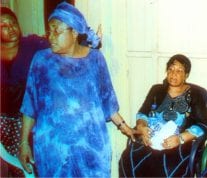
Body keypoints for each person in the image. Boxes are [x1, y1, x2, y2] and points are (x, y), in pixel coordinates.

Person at [18, 2, 135, 177]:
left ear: (74, 33)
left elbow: (107, 99)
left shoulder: (95, 59)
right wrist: (24, 144)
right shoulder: (42, 60)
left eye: (57, 31)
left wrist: (125, 128)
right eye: (50, 31)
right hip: (53, 148)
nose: (51, 37)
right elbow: (30, 103)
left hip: (91, 147)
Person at [119, 54, 207, 177]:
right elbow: (143, 112)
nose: (173, 74)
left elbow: (204, 125)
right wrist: (141, 127)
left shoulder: (195, 94)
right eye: (171, 69)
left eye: (179, 71)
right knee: (128, 158)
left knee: (166, 167)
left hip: (176, 144)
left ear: (186, 75)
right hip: (150, 140)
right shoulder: (156, 90)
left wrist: (180, 138)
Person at [0, 7, 49, 177]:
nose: (11, 28)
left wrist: (86, 40)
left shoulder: (33, 44)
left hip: (29, 120)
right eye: (4, 26)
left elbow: (60, 45)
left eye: (13, 23)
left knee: (31, 168)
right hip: (2, 124)